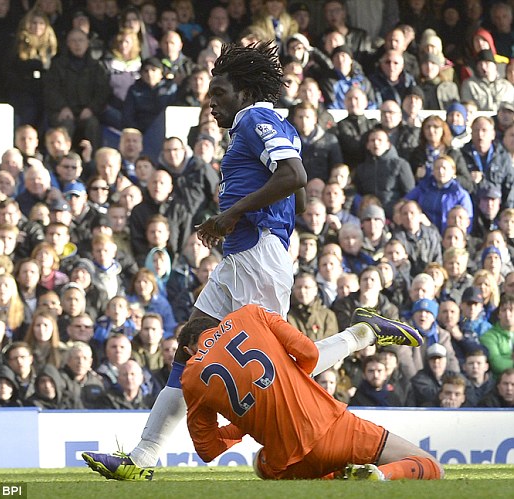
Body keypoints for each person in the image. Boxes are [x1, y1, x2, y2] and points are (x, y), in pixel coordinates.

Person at [82, 41, 307, 477]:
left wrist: (232, 215)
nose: (211, 104)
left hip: (258, 256)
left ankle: (359, 342)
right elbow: (277, 183)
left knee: (272, 368)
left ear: (244, 93)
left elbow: (294, 176)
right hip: (241, 256)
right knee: (190, 344)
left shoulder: (255, 119)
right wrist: (230, 219)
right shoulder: (258, 126)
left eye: (219, 93)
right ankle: (142, 457)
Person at [84, 304, 440, 481]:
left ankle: (143, 457)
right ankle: (381, 476)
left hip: (283, 458)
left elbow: (207, 450)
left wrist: (245, 422)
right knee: (431, 466)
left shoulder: (191, 378)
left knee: (261, 465)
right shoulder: (249, 314)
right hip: (332, 426)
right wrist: (282, 376)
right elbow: (310, 356)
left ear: (189, 349)